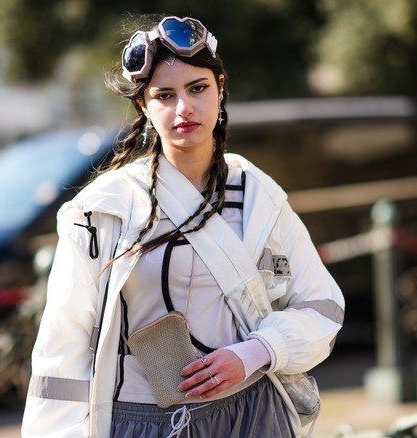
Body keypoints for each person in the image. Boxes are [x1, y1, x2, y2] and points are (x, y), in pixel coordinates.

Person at [22, 15, 345, 438]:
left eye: (198, 88)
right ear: (144, 106)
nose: (184, 109)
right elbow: (62, 348)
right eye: (164, 95)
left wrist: (255, 352)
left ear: (220, 89)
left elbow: (321, 306)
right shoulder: (103, 208)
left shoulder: (257, 194)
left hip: (255, 415)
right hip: (145, 423)